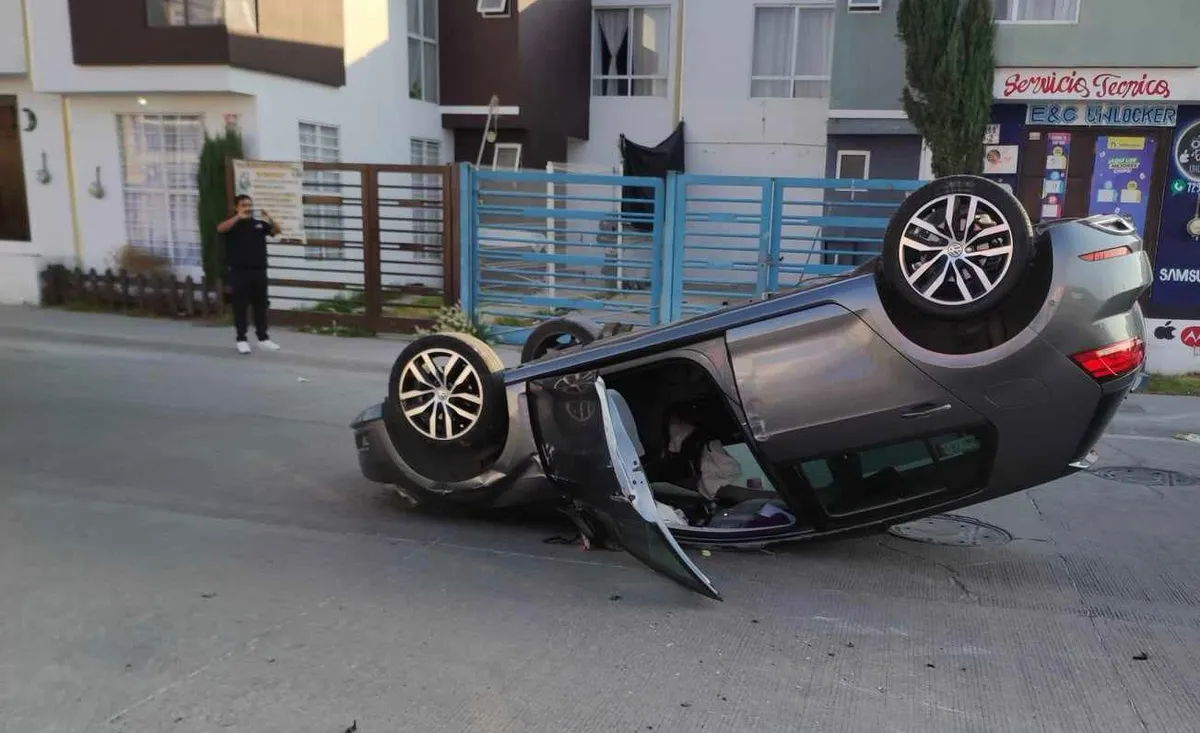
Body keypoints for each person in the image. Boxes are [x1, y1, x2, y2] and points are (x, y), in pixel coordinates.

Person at [217, 195, 281, 354]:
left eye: (249, 205)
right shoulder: (232, 224)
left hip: (259, 270)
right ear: (236, 207)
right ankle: (241, 339)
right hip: (239, 271)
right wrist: (238, 217)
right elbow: (220, 229)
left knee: (260, 305)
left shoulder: (258, 224)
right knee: (240, 306)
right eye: (244, 205)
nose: (247, 208)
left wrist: (269, 217)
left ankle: (263, 338)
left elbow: (276, 231)